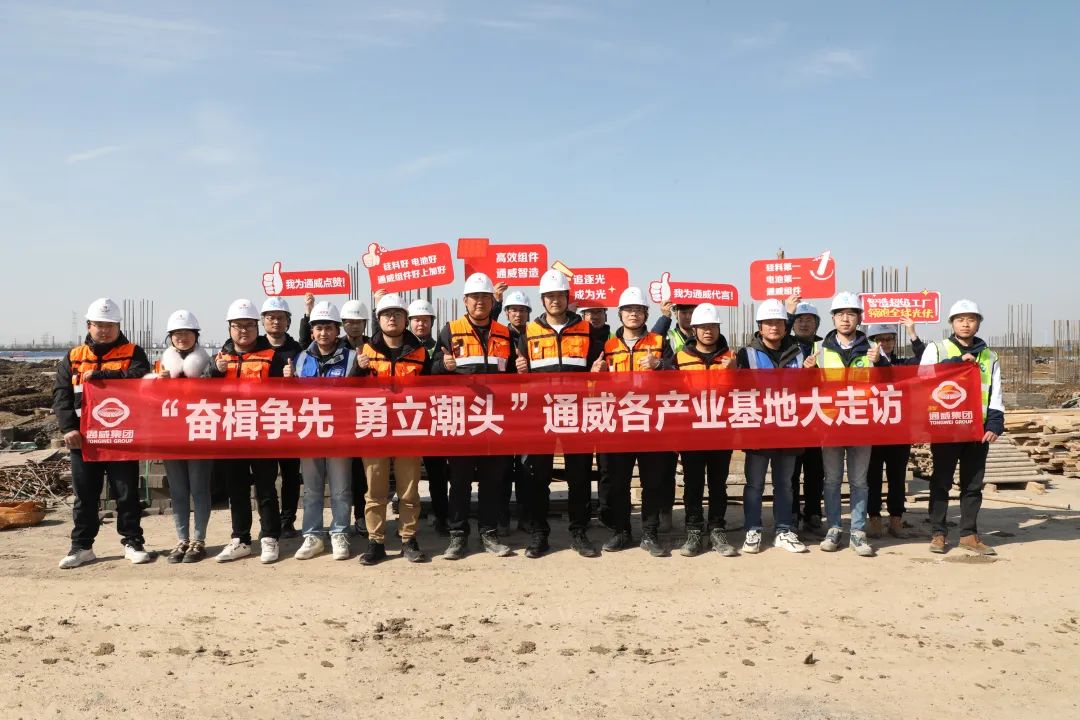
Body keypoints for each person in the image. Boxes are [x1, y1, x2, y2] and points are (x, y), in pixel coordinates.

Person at [516, 269, 608, 559]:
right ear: (542, 299)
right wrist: (520, 373)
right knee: (538, 477)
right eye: (549, 296)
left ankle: (579, 531)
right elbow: (516, 378)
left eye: (559, 295)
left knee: (578, 476)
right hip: (541, 414)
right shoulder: (528, 332)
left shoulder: (586, 330)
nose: (555, 300)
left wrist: (598, 370)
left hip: (576, 412)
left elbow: (598, 366)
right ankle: (539, 533)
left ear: (567, 298)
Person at [55, 298, 152, 569]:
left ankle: (133, 542)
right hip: (84, 439)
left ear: (118, 326)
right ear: (89, 325)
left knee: (126, 493)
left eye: (110, 325)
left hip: (122, 437)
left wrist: (101, 375)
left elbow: (140, 376)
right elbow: (61, 394)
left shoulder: (133, 352)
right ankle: (82, 546)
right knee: (85, 495)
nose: (105, 330)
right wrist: (68, 428)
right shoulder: (74, 356)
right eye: (99, 325)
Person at [432, 273, 516, 560]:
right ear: (465, 301)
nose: (479, 302)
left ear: (492, 301)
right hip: (463, 420)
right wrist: (443, 366)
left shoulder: (505, 333)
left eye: (484, 297)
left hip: (494, 419)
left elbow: (513, 375)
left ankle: (488, 533)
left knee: (492, 481)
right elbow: (432, 371)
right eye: (474, 297)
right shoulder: (450, 330)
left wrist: (522, 370)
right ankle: (458, 536)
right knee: (460, 481)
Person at [920, 299, 1004, 556]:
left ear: (978, 323)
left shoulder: (989, 356)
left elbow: (995, 392)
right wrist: (955, 363)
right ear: (952, 323)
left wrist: (995, 423)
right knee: (941, 481)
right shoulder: (937, 349)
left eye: (971, 319)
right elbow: (922, 378)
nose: (965, 324)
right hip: (946, 427)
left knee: (973, 485)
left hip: (976, 430)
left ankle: (969, 534)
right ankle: (938, 533)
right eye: (960, 319)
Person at [355, 293, 431, 565]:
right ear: (378, 320)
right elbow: (350, 391)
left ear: (405, 319)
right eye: (387, 314)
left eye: (397, 314)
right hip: (375, 428)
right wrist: (357, 369)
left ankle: (409, 539)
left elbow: (432, 390)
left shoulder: (419, 352)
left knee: (408, 490)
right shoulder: (365, 351)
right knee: (375, 491)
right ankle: (375, 542)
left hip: (408, 428)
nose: (392, 319)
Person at [805, 291, 882, 557]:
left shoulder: (873, 349)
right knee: (832, 480)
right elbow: (808, 386)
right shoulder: (819, 350)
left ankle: (858, 532)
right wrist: (807, 370)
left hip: (861, 423)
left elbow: (889, 384)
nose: (845, 319)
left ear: (859, 318)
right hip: (832, 424)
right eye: (840, 314)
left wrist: (880, 363)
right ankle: (834, 528)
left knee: (859, 481)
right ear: (833, 318)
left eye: (851, 314)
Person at [213, 298, 290, 564]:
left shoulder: (271, 357)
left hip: (262, 433)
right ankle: (241, 539)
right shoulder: (220, 359)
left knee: (266, 489)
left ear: (257, 327)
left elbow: (285, 394)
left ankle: (269, 537)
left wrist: (289, 380)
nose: (243, 330)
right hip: (232, 433)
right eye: (238, 325)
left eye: (248, 325)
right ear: (230, 328)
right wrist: (214, 372)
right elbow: (205, 393)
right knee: (236, 490)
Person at [602, 287, 672, 557]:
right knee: (618, 482)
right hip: (618, 424)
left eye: (639, 310)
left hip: (650, 423)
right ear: (620, 314)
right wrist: (595, 375)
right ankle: (621, 531)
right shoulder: (608, 346)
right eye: (629, 310)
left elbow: (678, 376)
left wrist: (660, 365)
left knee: (652, 482)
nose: (634, 314)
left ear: (646, 314)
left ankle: (650, 534)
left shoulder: (659, 342)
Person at [735, 299, 808, 555]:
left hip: (788, 429)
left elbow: (810, 390)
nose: (774, 327)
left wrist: (812, 372)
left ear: (786, 326)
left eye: (778, 322)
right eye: (768, 323)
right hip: (758, 429)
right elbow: (737, 390)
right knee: (754, 484)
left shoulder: (800, 354)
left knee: (785, 484)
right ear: (760, 327)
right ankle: (753, 529)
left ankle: (783, 530)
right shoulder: (746, 354)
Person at [668, 302, 736, 557]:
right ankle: (694, 531)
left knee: (718, 484)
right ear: (694, 330)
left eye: (712, 326)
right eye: (703, 327)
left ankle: (717, 529)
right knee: (693, 484)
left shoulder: (731, 357)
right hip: (692, 433)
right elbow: (667, 392)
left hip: (721, 432)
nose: (708, 331)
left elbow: (747, 392)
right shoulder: (680, 358)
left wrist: (736, 372)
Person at [292, 302, 357, 561]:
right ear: (312, 331)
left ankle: (340, 532)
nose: (323, 333)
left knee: (341, 489)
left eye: (328, 327)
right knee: (312, 490)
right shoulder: (300, 359)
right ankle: (313, 535)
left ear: (337, 330)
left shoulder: (352, 358)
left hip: (340, 433)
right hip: (310, 431)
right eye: (318, 328)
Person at [147, 310, 214, 564]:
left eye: (187, 333)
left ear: (196, 335)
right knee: (177, 489)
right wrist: (156, 382)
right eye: (176, 333)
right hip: (171, 435)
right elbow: (148, 398)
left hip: (199, 432)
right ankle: (182, 539)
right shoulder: (162, 364)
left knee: (199, 487)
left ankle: (199, 539)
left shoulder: (207, 363)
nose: (182, 337)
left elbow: (218, 392)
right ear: (170, 337)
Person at [864, 318, 926, 539]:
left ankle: (896, 520)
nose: (886, 343)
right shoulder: (863, 366)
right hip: (872, 429)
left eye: (890, 338)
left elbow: (925, 360)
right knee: (872, 477)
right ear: (872, 341)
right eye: (880, 339)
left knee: (897, 477)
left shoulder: (903, 365)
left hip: (899, 430)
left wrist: (912, 333)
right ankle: (874, 518)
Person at [649, 300, 697, 533]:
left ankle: (693, 516)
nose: (687, 316)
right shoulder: (667, 336)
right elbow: (651, 342)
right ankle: (665, 510)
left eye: (691, 312)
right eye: (683, 312)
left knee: (693, 466)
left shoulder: (706, 335)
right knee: (665, 465)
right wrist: (664, 317)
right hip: (669, 406)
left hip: (695, 408)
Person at [260, 296, 304, 538]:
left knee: (290, 475)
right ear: (263, 321)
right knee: (265, 477)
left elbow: (309, 383)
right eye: (271, 317)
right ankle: (268, 523)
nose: (276, 322)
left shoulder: (297, 350)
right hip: (260, 421)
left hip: (289, 420)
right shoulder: (255, 348)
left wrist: (294, 377)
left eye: (280, 318)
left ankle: (287, 521)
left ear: (288, 321)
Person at [409, 298, 450, 536]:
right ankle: (408, 520)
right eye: (416, 320)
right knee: (408, 473)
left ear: (432, 322)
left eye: (425, 320)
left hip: (434, 417)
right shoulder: (403, 348)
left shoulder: (440, 349)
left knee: (437, 473)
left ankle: (441, 516)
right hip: (409, 417)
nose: (421, 324)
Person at [788, 300, 825, 535]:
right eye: (799, 320)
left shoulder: (825, 347)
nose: (803, 324)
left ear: (817, 324)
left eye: (809, 319)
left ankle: (813, 513)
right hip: (792, 416)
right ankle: (792, 514)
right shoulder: (786, 345)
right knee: (791, 471)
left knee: (815, 470)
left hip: (817, 416)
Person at [500, 290, 533, 534]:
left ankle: (526, 518)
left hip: (528, 411)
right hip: (503, 409)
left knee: (526, 468)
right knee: (501, 468)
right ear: (506, 313)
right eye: (513, 310)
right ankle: (502, 519)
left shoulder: (535, 335)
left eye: (522, 310)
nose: (518, 314)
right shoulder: (499, 335)